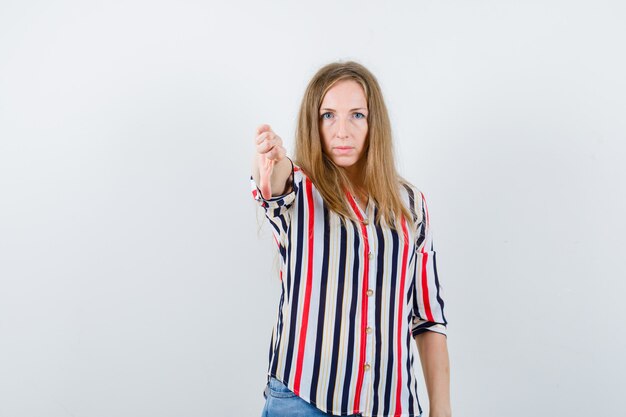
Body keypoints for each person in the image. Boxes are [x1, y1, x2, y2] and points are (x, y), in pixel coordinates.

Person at [250, 61, 451, 417]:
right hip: (303, 401)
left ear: (375, 123)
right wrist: (268, 159)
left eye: (356, 115)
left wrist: (442, 409)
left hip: (392, 406)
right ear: (314, 123)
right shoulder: (299, 190)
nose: (342, 131)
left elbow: (428, 317)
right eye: (328, 115)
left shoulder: (412, 205)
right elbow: (273, 183)